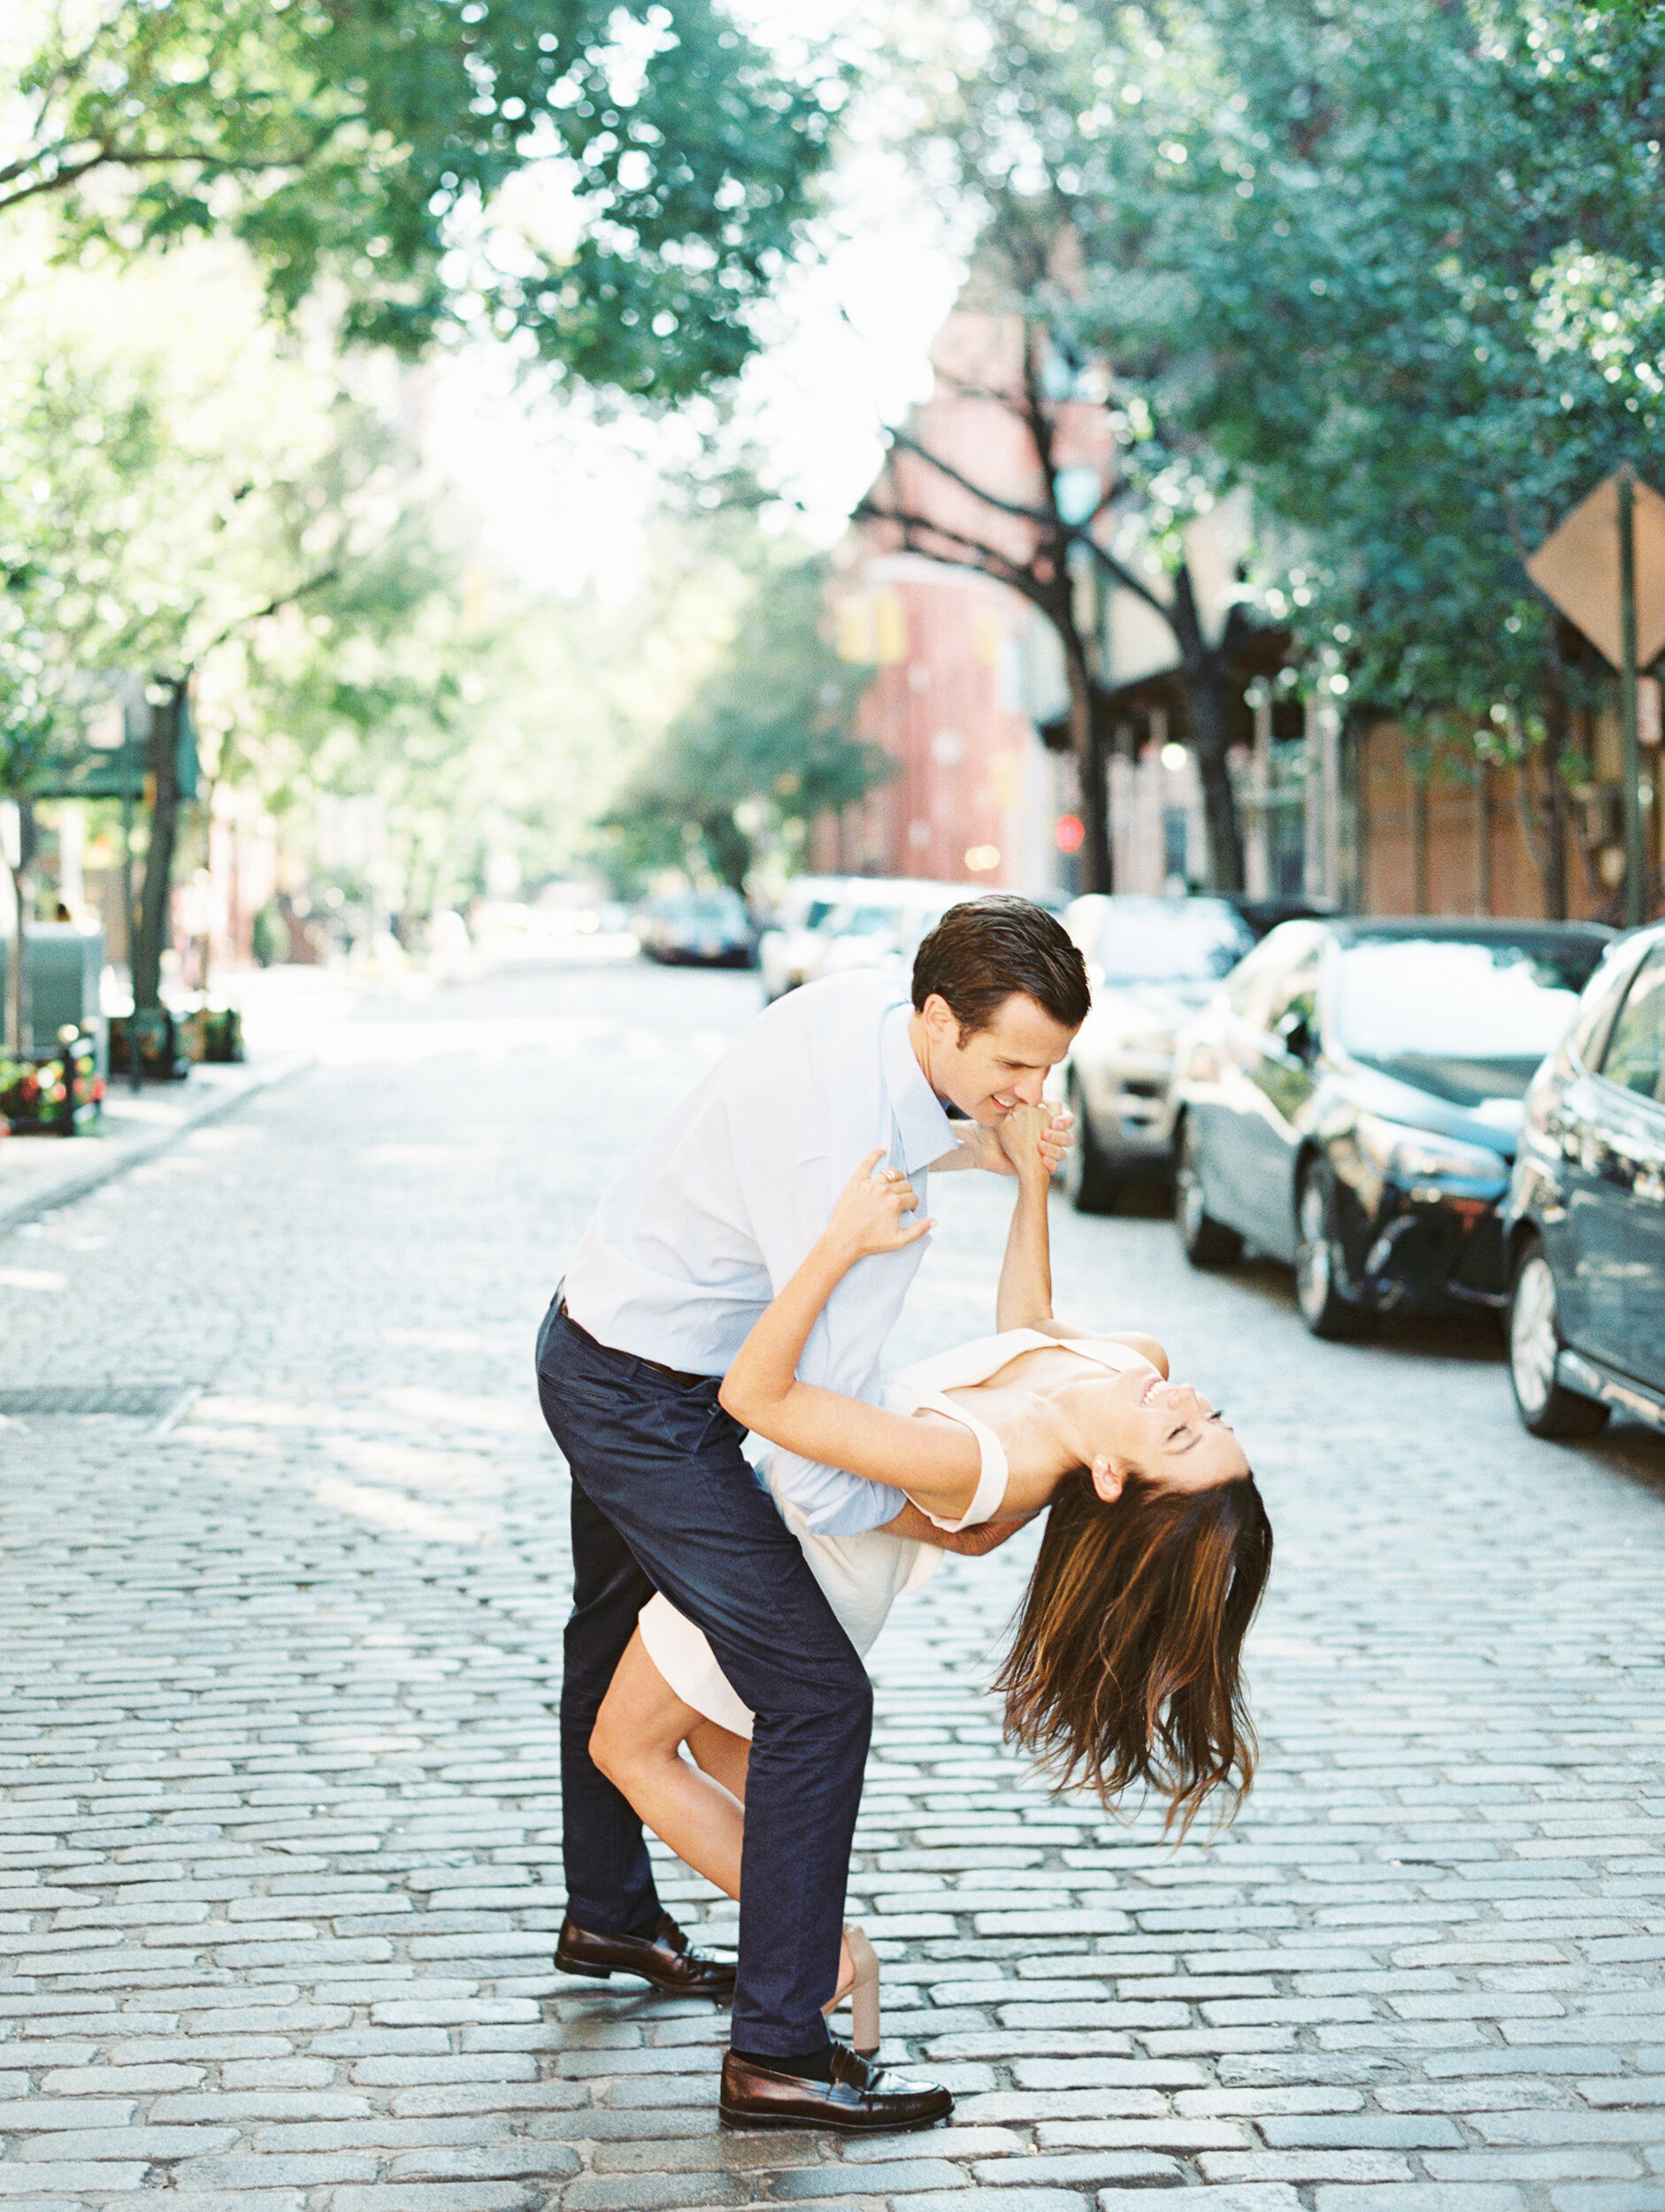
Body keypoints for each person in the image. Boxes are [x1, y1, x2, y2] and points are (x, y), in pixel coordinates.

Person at [536, 896, 1091, 2132]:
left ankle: (609, 1915)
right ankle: (777, 2047)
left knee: (607, 1637)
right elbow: (818, 1475)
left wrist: (994, 1151)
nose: (1030, 1090)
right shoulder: (859, 1187)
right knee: (816, 1697)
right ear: (937, 1019)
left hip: (604, 1327)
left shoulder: (868, 1013)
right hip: (644, 1400)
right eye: (1009, 1065)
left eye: (1050, 1066)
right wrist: (951, 1516)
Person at [589, 1102, 1274, 2068]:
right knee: (708, 1737)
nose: (1188, 1400)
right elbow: (1027, 1327)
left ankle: (817, 1950)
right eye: (1212, 1417)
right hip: (792, 1537)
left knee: (629, 1747)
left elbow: (759, 1400)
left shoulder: (985, 1464)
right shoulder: (1133, 1366)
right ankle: (816, 1943)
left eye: (1181, 1434)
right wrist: (1032, 1182)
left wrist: (838, 1247)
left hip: (804, 1568)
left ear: (1115, 1483)